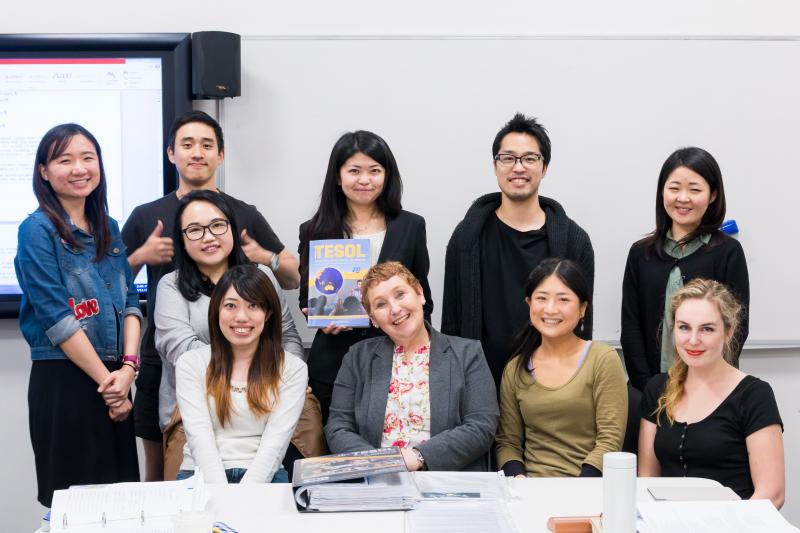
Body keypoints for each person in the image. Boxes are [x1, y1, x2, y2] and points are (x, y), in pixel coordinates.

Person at [122, 110, 300, 480]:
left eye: (207, 145)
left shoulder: (246, 221)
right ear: (171, 153)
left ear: (221, 154)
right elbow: (113, 281)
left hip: (262, 395)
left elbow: (290, 297)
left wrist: (280, 376)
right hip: (176, 380)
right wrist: (140, 257)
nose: (208, 236)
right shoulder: (151, 228)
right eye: (187, 144)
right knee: (162, 474)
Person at [15, 124, 141, 507]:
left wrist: (128, 370)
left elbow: (130, 300)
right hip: (66, 382)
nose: (79, 168)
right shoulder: (36, 230)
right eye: (64, 160)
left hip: (116, 377)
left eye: (88, 157)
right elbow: (58, 319)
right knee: (75, 508)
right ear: (43, 171)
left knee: (122, 506)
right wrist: (111, 386)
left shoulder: (109, 227)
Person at [154, 191, 318, 478]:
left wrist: (287, 375)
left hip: (269, 394)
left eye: (217, 225)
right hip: (199, 400)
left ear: (231, 226)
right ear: (181, 238)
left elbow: (287, 335)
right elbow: (181, 350)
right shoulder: (172, 285)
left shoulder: (261, 276)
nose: (208, 237)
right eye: (195, 230)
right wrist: (240, 372)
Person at [442, 113, 594, 388]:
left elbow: (582, 325)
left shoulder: (575, 241)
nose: (518, 167)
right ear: (495, 166)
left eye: (529, 158)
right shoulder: (467, 237)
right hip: (481, 386)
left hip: (552, 388)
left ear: (544, 167)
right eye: (508, 158)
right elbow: (451, 322)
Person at [299, 131, 432, 421]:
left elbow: (424, 299)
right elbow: (306, 299)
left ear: (387, 175)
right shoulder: (314, 230)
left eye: (374, 171)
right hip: (334, 364)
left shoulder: (411, 226)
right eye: (354, 171)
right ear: (338, 177)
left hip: (397, 361)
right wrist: (320, 318)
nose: (364, 180)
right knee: (336, 442)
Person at [325, 262, 498, 471]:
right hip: (377, 479)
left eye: (400, 294)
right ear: (373, 320)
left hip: (446, 479)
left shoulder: (468, 353)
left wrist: (418, 457)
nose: (395, 309)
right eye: (381, 305)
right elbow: (338, 428)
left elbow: (482, 425)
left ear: (420, 294)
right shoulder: (357, 358)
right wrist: (379, 463)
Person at [638, 279, 783, 507]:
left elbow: (772, 494)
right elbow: (646, 480)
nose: (693, 340)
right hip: (670, 520)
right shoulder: (657, 389)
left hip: (734, 521)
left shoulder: (754, 395)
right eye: (684, 327)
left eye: (707, 329)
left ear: (728, 332)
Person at [621, 147, 749, 391]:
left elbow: (737, 327)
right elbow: (631, 327)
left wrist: (705, 387)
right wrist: (648, 387)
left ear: (713, 195)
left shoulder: (728, 252)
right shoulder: (640, 254)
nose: (683, 198)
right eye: (674, 188)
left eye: (695, 189)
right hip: (648, 388)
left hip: (711, 388)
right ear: (662, 191)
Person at [175, 264, 307, 484]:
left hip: (266, 475)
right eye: (230, 306)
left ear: (268, 313)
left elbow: (275, 444)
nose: (241, 317)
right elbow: (199, 437)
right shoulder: (190, 363)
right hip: (200, 474)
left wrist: (246, 494)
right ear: (217, 310)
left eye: (253, 305)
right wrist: (221, 493)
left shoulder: (293, 369)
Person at [496, 258, 627, 478]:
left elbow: (610, 440)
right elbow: (507, 442)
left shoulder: (602, 359)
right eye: (541, 298)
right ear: (529, 303)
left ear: (583, 308)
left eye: (563, 299)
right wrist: (519, 480)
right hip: (529, 488)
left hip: (587, 486)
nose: (550, 309)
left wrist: (577, 489)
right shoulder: (515, 368)